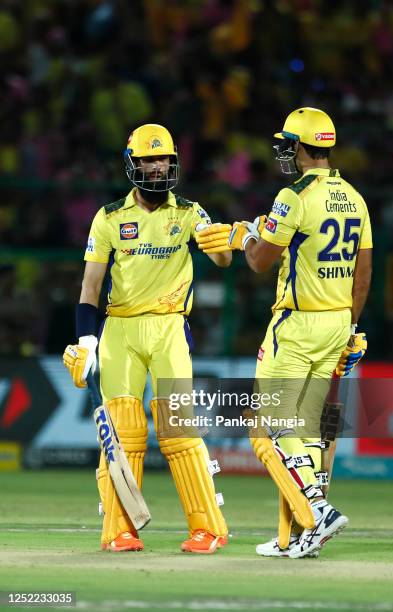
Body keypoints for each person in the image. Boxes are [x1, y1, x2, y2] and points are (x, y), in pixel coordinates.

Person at [63, 124, 232, 553]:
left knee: (178, 427)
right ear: (132, 164)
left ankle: (207, 529)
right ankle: (119, 529)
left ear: (173, 163)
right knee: (123, 432)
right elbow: (89, 288)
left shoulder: (190, 212)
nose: (157, 169)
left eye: (164, 161)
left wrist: (222, 243)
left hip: (170, 327)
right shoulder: (110, 217)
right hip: (119, 329)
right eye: (149, 161)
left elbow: (223, 259)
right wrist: (86, 342)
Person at [228, 107, 372, 558]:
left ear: (300, 147)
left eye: (288, 143)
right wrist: (350, 327)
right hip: (336, 322)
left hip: (297, 323)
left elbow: (258, 260)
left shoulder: (293, 196)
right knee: (305, 427)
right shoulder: (355, 197)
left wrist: (243, 235)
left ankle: (318, 507)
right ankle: (308, 532)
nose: (284, 151)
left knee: (272, 420)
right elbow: (363, 276)